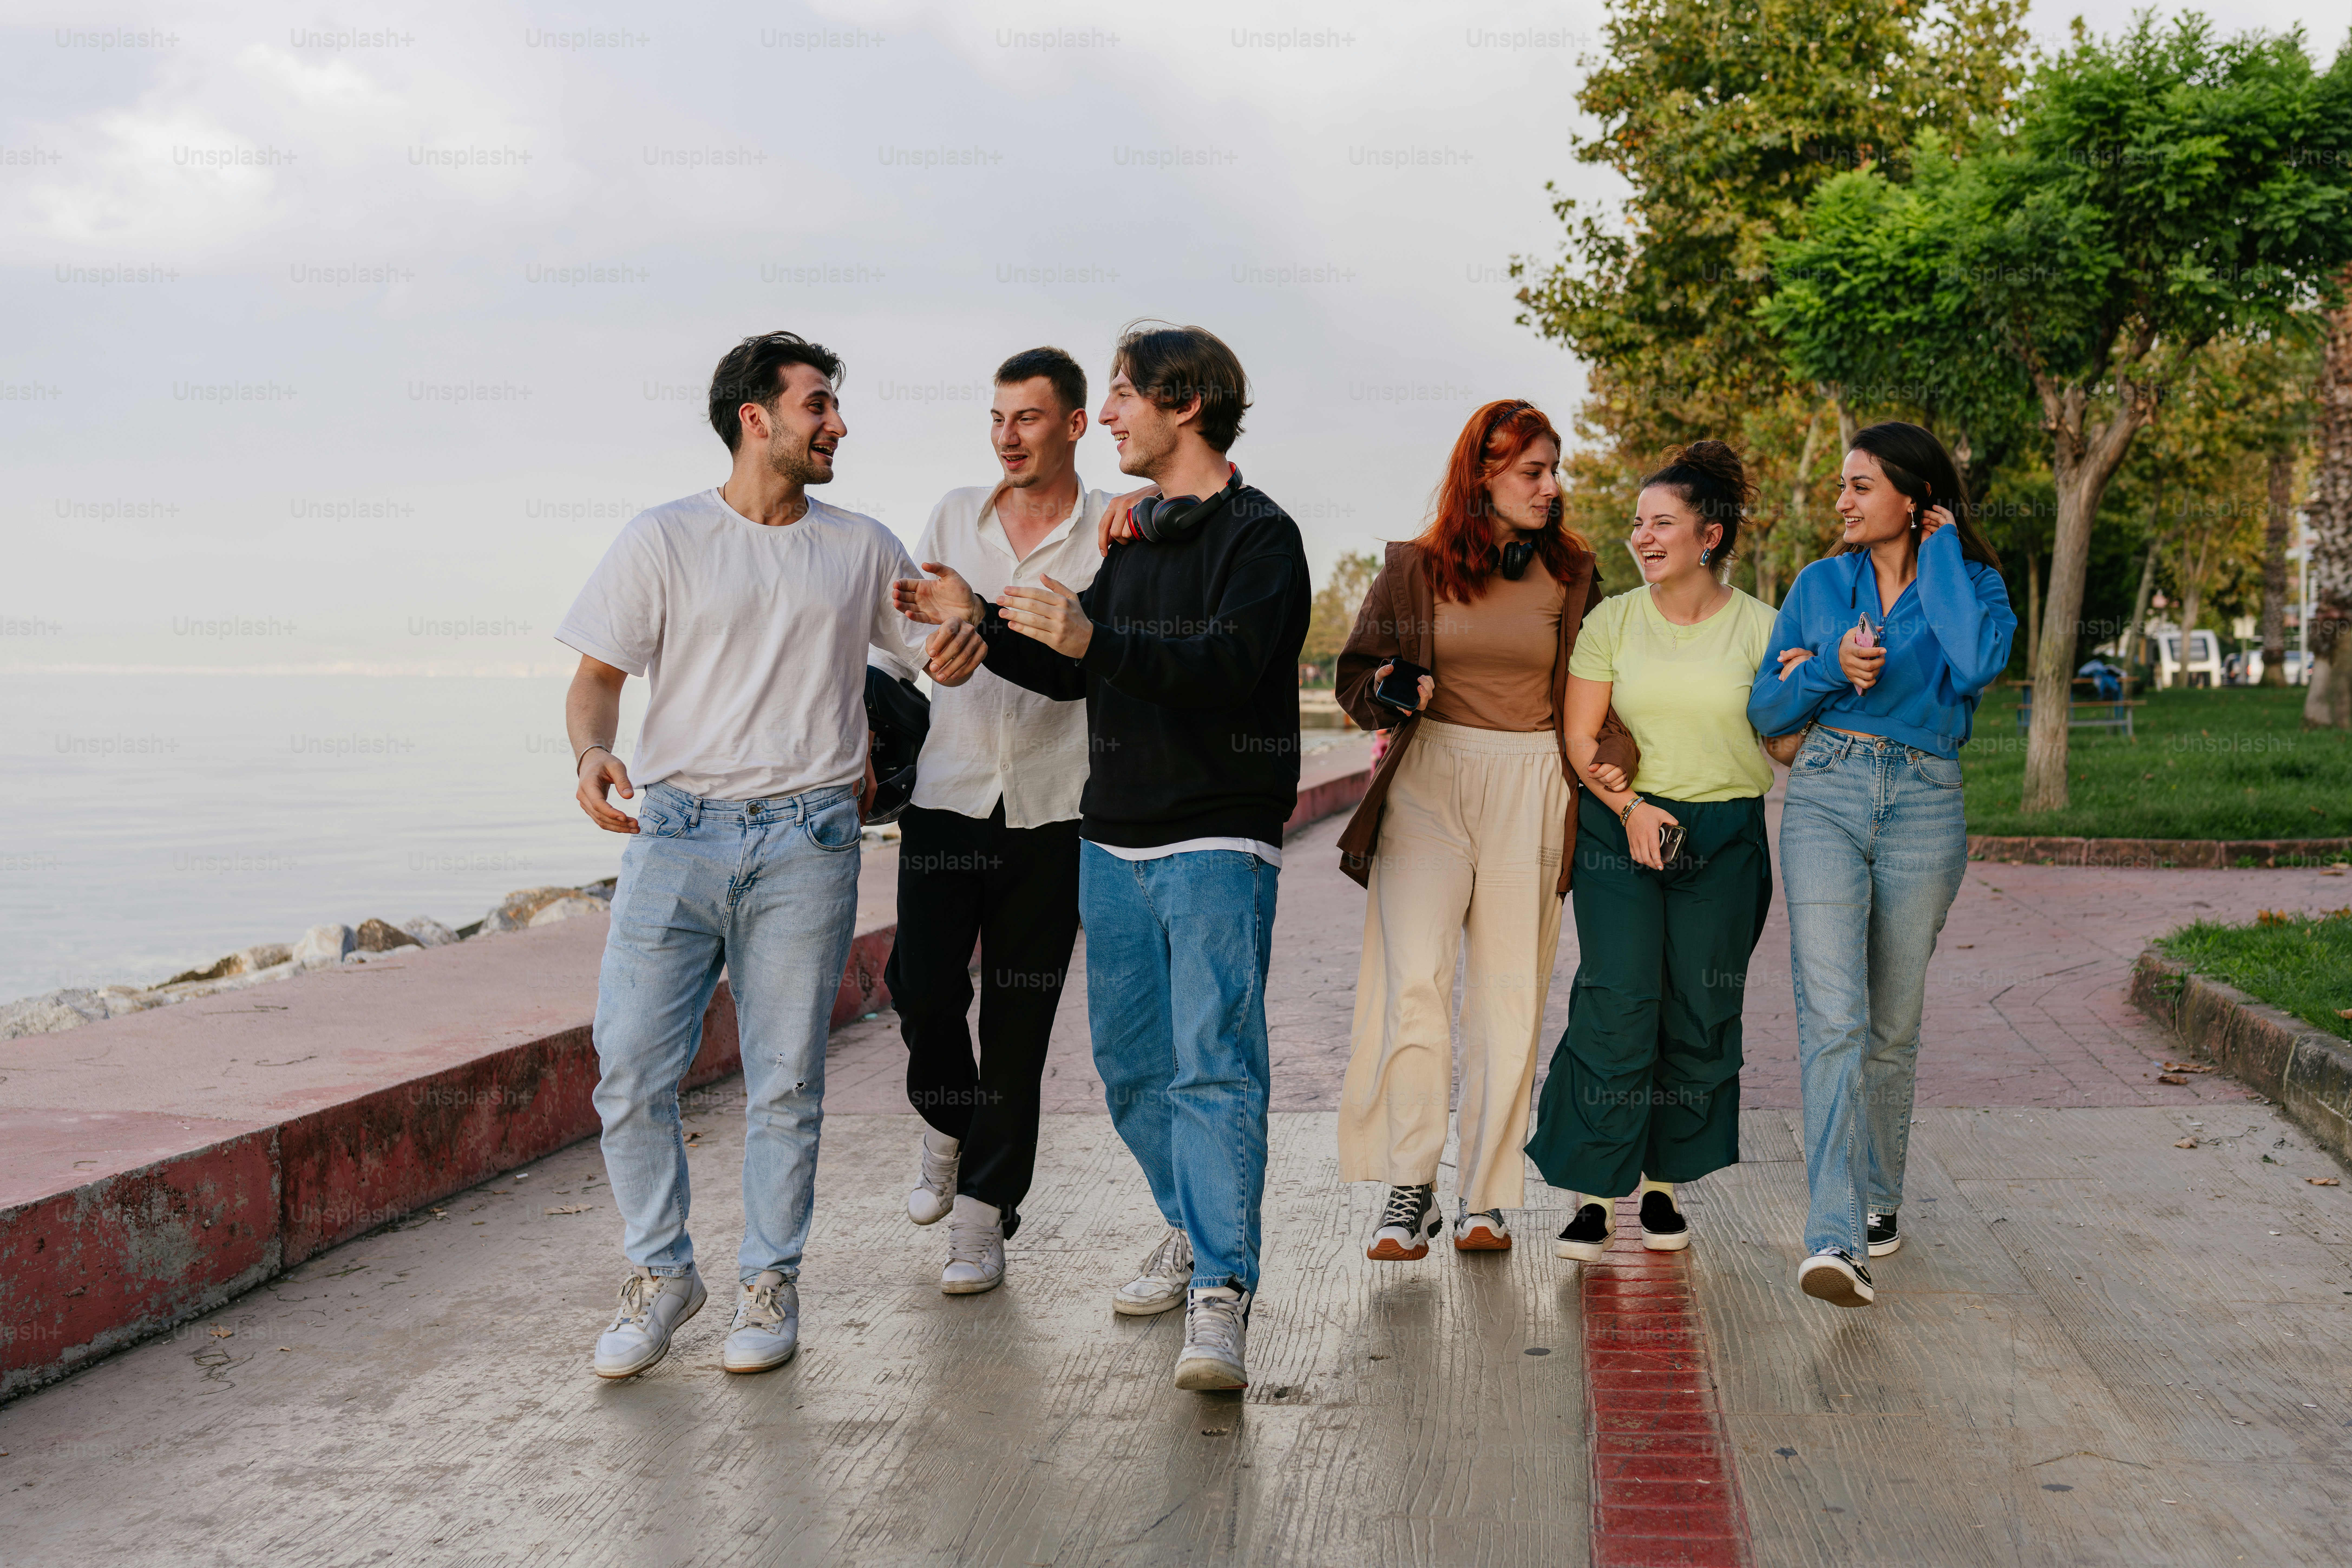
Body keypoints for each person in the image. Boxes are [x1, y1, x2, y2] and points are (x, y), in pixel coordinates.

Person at [558, 330, 982, 1380]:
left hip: (809, 839)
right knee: (626, 1072)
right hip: (674, 834)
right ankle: (664, 1274)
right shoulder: (663, 538)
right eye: (818, 406)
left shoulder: (862, 545)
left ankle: (769, 1282)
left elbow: (935, 648)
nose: (837, 424)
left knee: (786, 1083)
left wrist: (962, 625)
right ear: (757, 418)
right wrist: (592, 752)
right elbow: (598, 677)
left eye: (834, 409)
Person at [896, 322, 1308, 1392]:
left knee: (1213, 1063)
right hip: (1112, 839)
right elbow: (1087, 674)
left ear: (1184, 404)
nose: (1111, 415)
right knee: (1132, 1070)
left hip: (1216, 839)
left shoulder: (1262, 538)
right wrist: (979, 617)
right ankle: (1191, 1226)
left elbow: (1225, 666)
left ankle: (1221, 1289)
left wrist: (1092, 640)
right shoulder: (1129, 542)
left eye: (1122, 396)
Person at [1331, 400, 1637, 1259]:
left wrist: (1614, 758)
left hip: (1533, 783)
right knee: (1416, 987)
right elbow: (1360, 676)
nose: (1550, 487)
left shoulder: (1575, 574)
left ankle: (1487, 1196)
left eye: (1553, 469)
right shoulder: (1411, 568)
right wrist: (1390, 686)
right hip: (1428, 784)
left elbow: (1603, 690)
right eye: (1531, 472)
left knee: (1508, 995)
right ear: (1483, 476)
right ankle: (1409, 1185)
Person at [1748, 421, 2014, 1308]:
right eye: (1840, 485)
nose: (1842, 500)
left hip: (1927, 802)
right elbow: (1766, 702)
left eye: (1860, 486)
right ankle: (1832, 1234)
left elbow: (1973, 662)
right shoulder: (1821, 585)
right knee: (1833, 1016)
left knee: (1891, 1025)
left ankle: (1878, 1201)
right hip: (1824, 790)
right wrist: (1829, 663)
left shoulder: (1974, 584)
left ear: (1913, 496)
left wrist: (1938, 556)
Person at [883, 347, 1120, 1295]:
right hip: (949, 796)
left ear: (1071, 425)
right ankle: (945, 1118)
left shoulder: (1115, 530)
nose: (1006, 436)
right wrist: (937, 650)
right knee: (922, 990)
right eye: (996, 418)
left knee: (1021, 1021)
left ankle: (982, 1216)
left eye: (1026, 418)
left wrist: (975, 624)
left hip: (1056, 810)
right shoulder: (952, 515)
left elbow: (1083, 658)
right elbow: (913, 629)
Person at [1524, 441, 1779, 1264]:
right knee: (1619, 999)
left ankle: (1665, 1185)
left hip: (1726, 837)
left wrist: (1822, 684)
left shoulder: (1763, 627)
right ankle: (1594, 1194)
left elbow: (1781, 741)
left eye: (1661, 523)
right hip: (1621, 829)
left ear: (1708, 536)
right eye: (1638, 524)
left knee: (1699, 1011)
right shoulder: (1612, 621)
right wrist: (1630, 807)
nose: (1642, 536)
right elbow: (1578, 734)